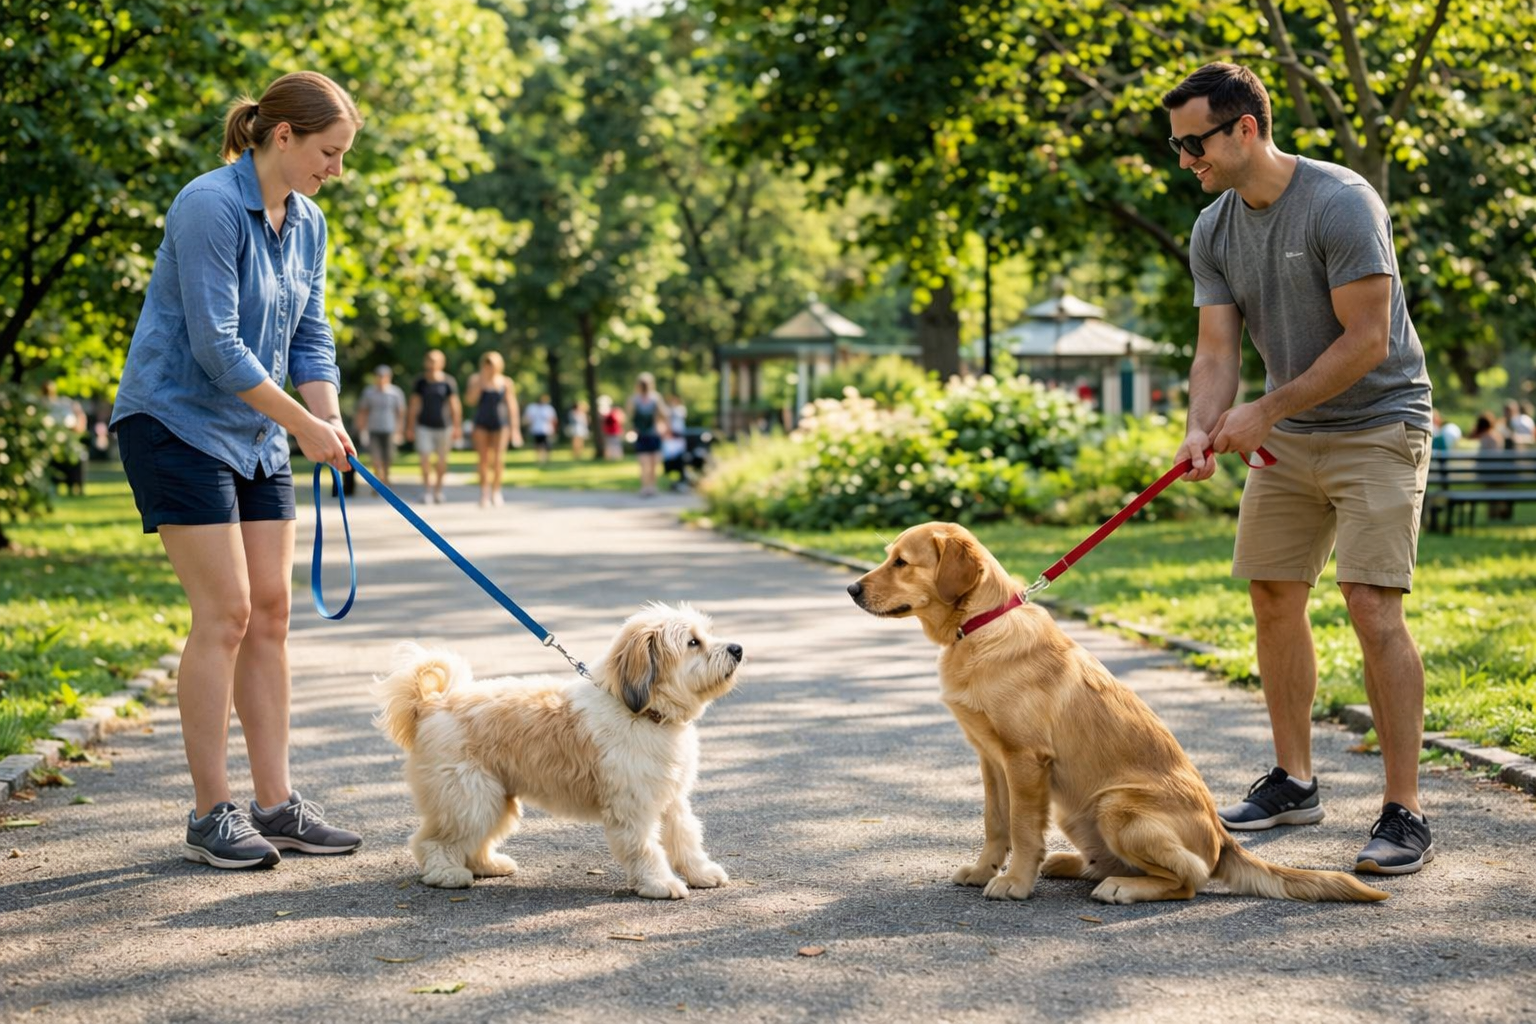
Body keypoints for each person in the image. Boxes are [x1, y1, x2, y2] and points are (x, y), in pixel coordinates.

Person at [1164, 63, 1436, 874]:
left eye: (1194, 143)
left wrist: (1264, 412)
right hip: (1289, 434)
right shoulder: (1213, 229)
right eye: (1177, 147)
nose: (1185, 160)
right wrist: (1201, 426)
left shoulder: (1341, 201)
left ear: (1245, 127)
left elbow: (1368, 340)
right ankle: (1294, 781)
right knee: (1274, 593)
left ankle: (1405, 810)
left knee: (1370, 604)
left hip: (1379, 422)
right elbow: (1216, 349)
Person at [108, 71, 363, 870]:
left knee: (273, 614)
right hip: (175, 421)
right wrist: (304, 424)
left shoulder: (310, 220)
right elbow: (220, 350)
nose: (335, 169)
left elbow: (311, 334)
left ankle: (275, 804)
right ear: (281, 136)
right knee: (224, 613)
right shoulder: (209, 205)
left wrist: (328, 417)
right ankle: (211, 813)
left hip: (257, 430)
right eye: (329, 152)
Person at [405, 348, 461, 504]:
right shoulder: (420, 382)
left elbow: (454, 405)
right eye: (430, 360)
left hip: (444, 427)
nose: (432, 364)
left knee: (442, 460)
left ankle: (438, 490)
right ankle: (427, 491)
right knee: (424, 458)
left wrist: (457, 426)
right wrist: (409, 427)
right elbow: (414, 405)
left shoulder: (448, 382)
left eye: (435, 361)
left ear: (442, 363)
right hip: (424, 426)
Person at [464, 352, 520, 506]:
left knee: (498, 459)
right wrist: (481, 382)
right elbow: (470, 400)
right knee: (483, 460)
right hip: (481, 423)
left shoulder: (505, 382)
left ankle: (496, 491)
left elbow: (512, 406)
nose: (489, 367)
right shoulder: (476, 380)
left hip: (500, 423)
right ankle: (484, 492)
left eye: (492, 364)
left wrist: (515, 429)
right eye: (487, 364)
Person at [354, 364, 405, 487]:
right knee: (375, 457)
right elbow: (363, 411)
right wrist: (361, 429)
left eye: (384, 376)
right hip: (373, 429)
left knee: (388, 457)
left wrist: (399, 431)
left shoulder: (395, 393)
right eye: (379, 376)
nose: (381, 379)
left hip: (390, 429)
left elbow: (400, 413)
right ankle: (378, 482)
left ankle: (386, 478)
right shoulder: (369, 392)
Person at [41, 380, 88, 496]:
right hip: (52, 442)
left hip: (70, 439)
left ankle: (76, 488)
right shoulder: (42, 404)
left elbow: (80, 415)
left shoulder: (65, 402)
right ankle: (55, 488)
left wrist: (78, 427)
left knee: (76, 459)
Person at [627, 372, 669, 498]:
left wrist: (663, 427)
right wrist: (630, 430)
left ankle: (652, 487)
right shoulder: (634, 399)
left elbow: (664, 414)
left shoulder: (655, 398)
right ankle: (645, 487)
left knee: (653, 464)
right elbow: (630, 417)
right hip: (641, 435)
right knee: (644, 463)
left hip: (653, 434)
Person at [524, 393, 558, 466]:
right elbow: (528, 418)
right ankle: (539, 458)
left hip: (547, 430)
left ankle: (546, 458)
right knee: (538, 444)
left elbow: (553, 419)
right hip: (536, 429)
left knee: (547, 444)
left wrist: (554, 429)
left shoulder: (549, 408)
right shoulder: (532, 408)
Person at [598, 394, 625, 461]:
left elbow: (620, 420)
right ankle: (609, 458)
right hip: (608, 431)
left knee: (616, 444)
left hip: (615, 431)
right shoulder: (604, 412)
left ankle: (617, 457)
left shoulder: (614, 411)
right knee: (609, 445)